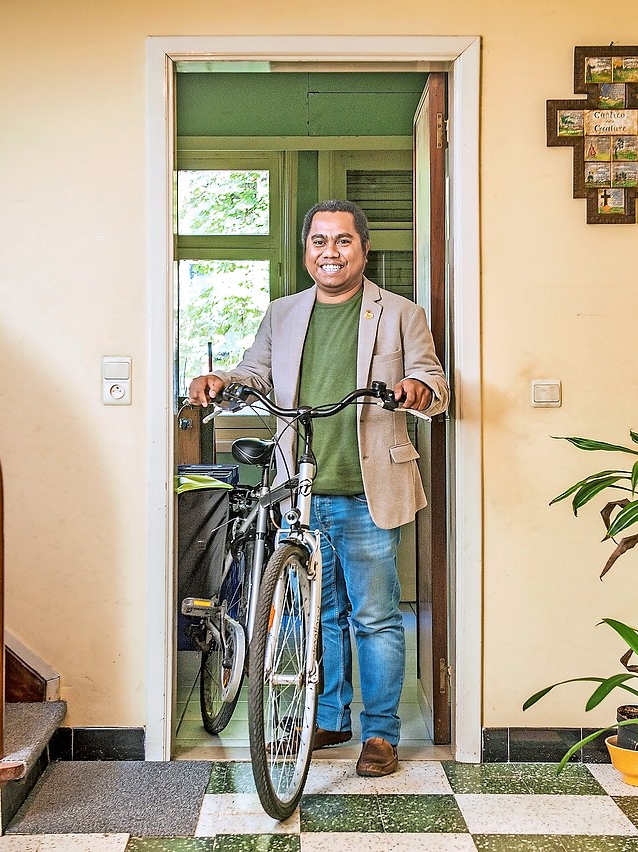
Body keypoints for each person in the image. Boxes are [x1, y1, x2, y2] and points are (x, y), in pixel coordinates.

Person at [187, 199, 449, 778]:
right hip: (298, 489)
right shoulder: (281, 314)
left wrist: (415, 387)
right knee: (315, 615)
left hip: (366, 489)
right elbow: (255, 373)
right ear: (307, 249)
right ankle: (328, 714)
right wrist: (222, 380)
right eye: (319, 241)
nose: (330, 252)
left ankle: (380, 733)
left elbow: (436, 382)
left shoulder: (400, 313)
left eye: (343, 241)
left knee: (375, 617)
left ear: (363, 247)